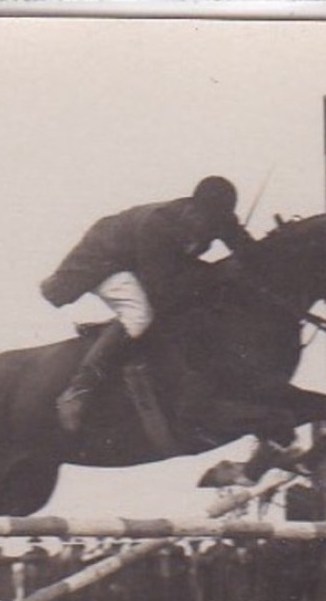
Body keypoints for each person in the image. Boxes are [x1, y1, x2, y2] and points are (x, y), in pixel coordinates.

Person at [41, 175, 254, 433]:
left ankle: (110, 331)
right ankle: (79, 389)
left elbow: (248, 251)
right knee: (140, 314)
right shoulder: (159, 226)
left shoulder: (218, 218)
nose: (208, 227)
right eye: (205, 220)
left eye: (216, 222)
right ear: (194, 208)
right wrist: (217, 273)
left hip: (140, 262)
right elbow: (162, 291)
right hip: (101, 261)